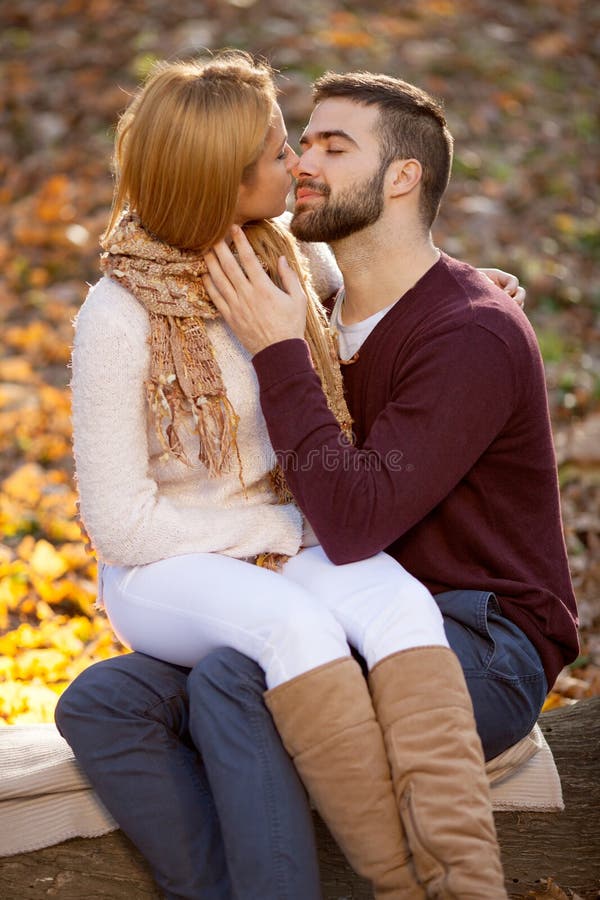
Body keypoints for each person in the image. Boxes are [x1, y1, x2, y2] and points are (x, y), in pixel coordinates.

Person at [55, 54, 532, 900]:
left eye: (314, 147)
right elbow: (121, 525)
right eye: (286, 151)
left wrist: (469, 295)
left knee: (394, 603)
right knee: (275, 641)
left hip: (301, 547)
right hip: (177, 559)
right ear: (221, 178)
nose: (299, 165)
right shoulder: (119, 316)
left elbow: (384, 279)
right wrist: (275, 534)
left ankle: (462, 885)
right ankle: (392, 880)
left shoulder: (284, 265)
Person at [202, 69, 578, 891]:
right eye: (305, 140)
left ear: (403, 176)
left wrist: (277, 353)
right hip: (337, 610)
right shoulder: (309, 301)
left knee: (239, 699)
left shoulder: (471, 332)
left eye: (336, 146)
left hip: (478, 635)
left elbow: (355, 518)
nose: (304, 160)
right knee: (135, 698)